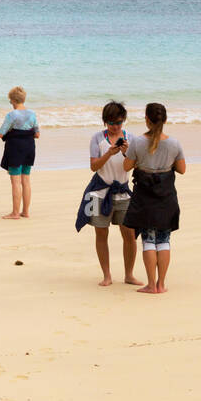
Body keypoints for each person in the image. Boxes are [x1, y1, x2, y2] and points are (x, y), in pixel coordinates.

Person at [123, 103, 185, 294]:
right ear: (165, 120)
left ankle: (151, 284)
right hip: (166, 195)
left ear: (147, 120)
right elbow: (182, 169)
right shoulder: (174, 143)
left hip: (144, 195)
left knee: (148, 240)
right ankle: (161, 284)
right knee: (164, 240)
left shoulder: (137, 143)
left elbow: (126, 167)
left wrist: (128, 153)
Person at [76, 101, 138, 287]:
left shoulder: (132, 139)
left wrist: (127, 153)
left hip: (123, 192)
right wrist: (109, 154)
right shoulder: (97, 138)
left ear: (123, 121)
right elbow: (93, 166)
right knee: (100, 233)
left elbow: (136, 166)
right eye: (111, 123)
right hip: (98, 192)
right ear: (104, 122)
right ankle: (107, 275)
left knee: (129, 234)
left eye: (118, 122)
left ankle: (129, 274)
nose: (115, 127)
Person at [0, 85, 39, 219]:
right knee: (26, 180)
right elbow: (37, 134)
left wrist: (10, 132)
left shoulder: (12, 115)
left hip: (15, 149)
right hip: (29, 148)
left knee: (15, 181)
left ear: (13, 101)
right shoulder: (32, 114)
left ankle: (15, 213)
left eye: (10, 101)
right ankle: (25, 211)